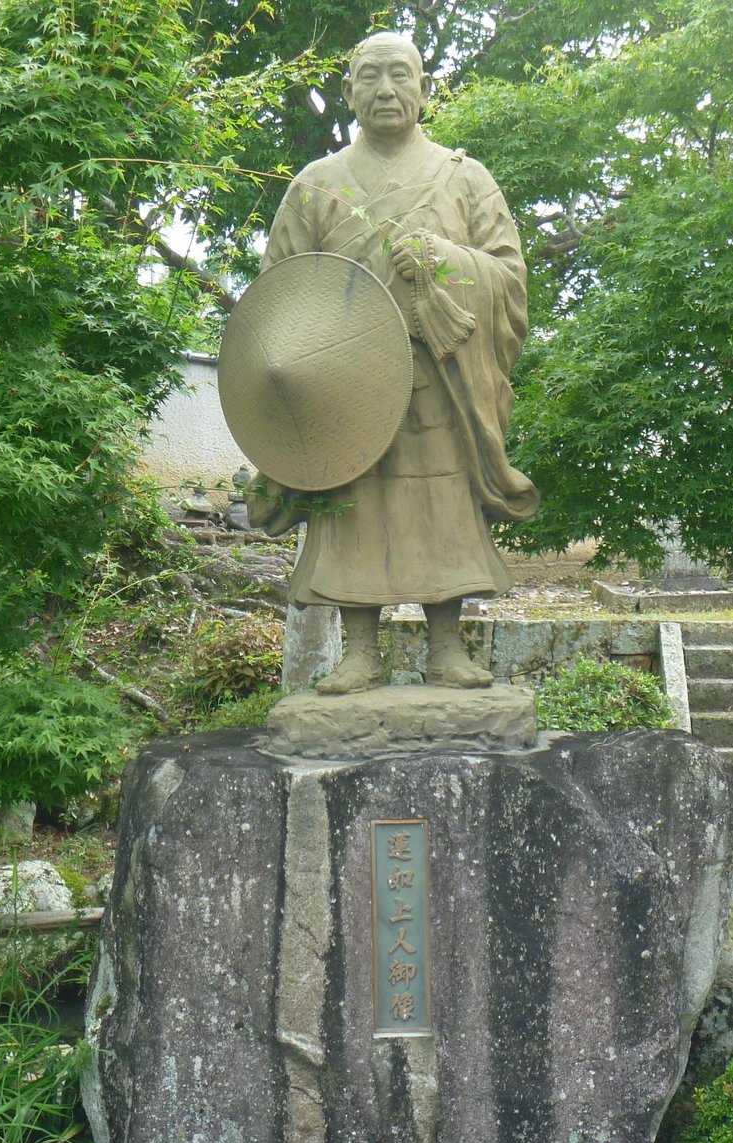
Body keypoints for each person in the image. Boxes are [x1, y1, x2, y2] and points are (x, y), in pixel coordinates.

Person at [250, 31, 538, 694]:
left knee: (445, 503)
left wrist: (447, 261)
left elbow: (509, 277)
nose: (385, 90)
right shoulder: (315, 187)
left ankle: (447, 645)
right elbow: (280, 295)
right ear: (349, 92)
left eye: (400, 76)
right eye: (370, 77)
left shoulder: (466, 179)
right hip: (350, 385)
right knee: (354, 509)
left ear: (425, 90)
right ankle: (359, 650)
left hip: (440, 374)